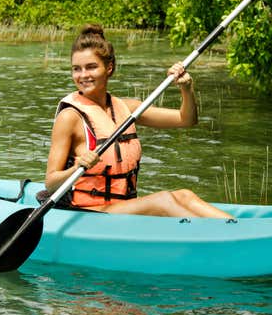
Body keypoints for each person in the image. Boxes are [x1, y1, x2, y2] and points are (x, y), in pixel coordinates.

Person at [45, 23, 232, 219]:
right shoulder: (70, 117)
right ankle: (213, 238)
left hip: (123, 206)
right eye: (77, 69)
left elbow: (186, 119)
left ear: (109, 68)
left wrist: (186, 88)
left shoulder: (129, 108)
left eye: (91, 67)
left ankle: (235, 227)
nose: (83, 75)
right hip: (89, 212)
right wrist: (77, 168)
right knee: (164, 201)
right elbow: (51, 182)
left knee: (185, 195)